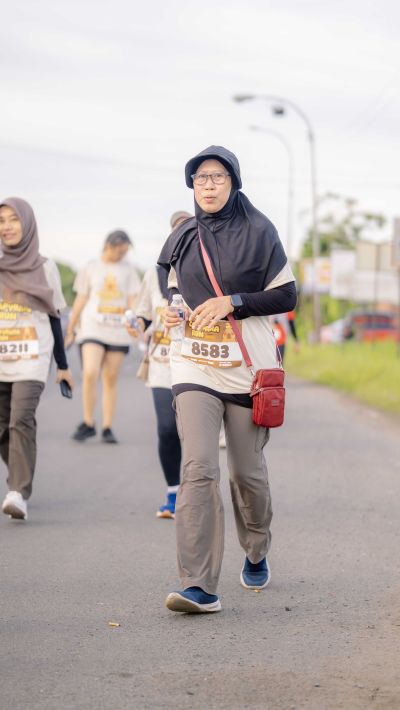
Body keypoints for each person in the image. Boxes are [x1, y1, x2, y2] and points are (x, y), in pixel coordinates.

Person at [158, 146, 297, 613]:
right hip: (193, 365)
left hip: (246, 370)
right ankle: (198, 585)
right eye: (200, 178)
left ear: (234, 182)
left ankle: (256, 547)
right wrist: (173, 309)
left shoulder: (260, 231)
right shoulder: (183, 235)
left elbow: (287, 294)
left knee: (246, 474)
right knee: (198, 467)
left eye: (218, 176)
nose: (209, 185)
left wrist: (233, 302)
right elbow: (172, 284)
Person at [0, 197, 73, 521]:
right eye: (2, 221)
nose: (7, 227)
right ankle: (19, 473)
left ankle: (18, 491)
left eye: (13, 219)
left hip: (32, 357)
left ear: (27, 224)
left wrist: (63, 365)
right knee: (3, 426)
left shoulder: (45, 267)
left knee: (20, 419)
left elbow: (55, 317)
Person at [127, 211, 191, 519]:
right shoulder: (154, 275)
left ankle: (197, 492)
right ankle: (173, 493)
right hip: (162, 364)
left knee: (194, 434)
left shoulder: (210, 271)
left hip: (198, 365)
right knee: (167, 429)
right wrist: (136, 323)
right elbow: (143, 313)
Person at [66, 230, 140, 444]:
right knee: (90, 372)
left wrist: (136, 322)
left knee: (110, 378)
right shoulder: (91, 267)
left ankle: (107, 426)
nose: (121, 255)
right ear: (108, 246)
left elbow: (132, 300)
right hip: (93, 327)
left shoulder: (129, 270)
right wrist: (70, 328)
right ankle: (88, 422)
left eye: (124, 252)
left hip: (118, 330)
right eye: (119, 251)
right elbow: (81, 298)